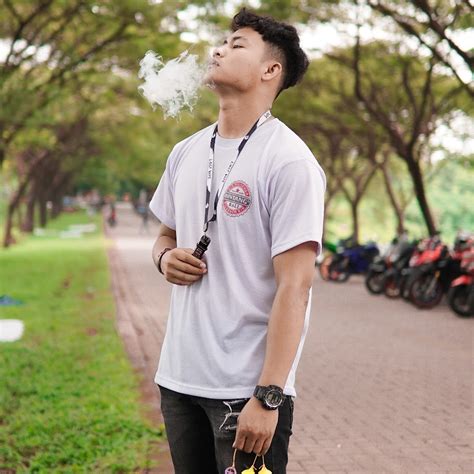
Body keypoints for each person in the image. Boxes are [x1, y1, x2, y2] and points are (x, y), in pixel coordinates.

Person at [149, 8, 326, 474]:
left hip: (246, 392)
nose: (218, 49)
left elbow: (296, 287)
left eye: (236, 44)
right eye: (223, 42)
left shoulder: (289, 161)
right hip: (179, 380)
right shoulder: (185, 151)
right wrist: (165, 257)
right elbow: (164, 235)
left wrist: (268, 396)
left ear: (271, 69)